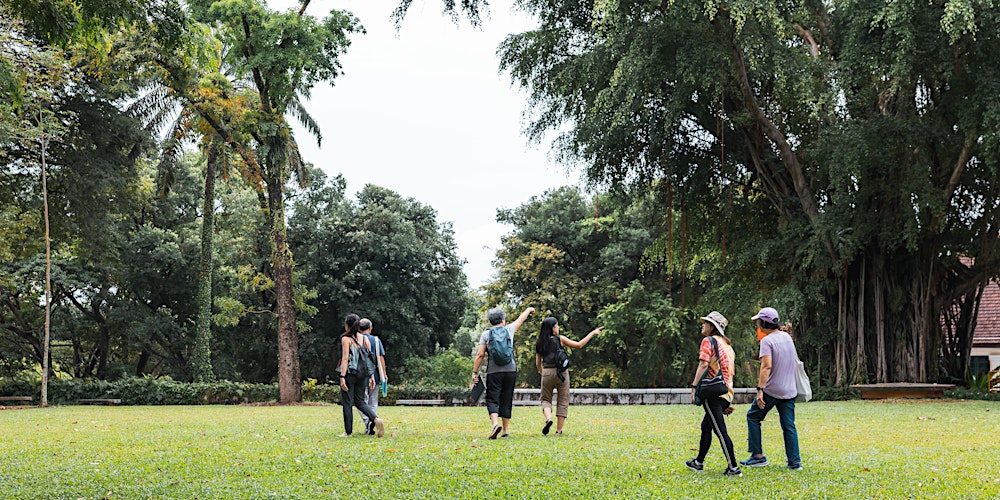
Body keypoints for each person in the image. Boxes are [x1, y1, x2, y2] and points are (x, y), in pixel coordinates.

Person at [742, 307, 801, 470]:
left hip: (772, 390)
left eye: (758, 322)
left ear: (763, 323)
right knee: (789, 425)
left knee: (753, 416)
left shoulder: (767, 341)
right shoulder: (787, 338)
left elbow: (766, 366)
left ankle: (757, 456)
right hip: (789, 390)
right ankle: (794, 462)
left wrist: (760, 390)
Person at [685, 311, 741, 477]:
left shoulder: (708, 341)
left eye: (706, 322)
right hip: (725, 391)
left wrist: (694, 386)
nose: (703, 325)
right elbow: (728, 372)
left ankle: (733, 467)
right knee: (706, 426)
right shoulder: (727, 345)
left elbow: (704, 364)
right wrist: (727, 400)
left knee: (719, 430)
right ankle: (698, 462)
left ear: (712, 326)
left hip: (712, 392)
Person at [472, 306, 535, 439]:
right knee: (506, 398)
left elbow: (480, 354)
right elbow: (521, 319)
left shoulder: (486, 334)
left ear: (490, 321)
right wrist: (529, 309)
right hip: (510, 370)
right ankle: (505, 430)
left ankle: (495, 424)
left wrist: (474, 372)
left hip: (493, 372)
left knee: (492, 398)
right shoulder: (509, 330)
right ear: (503, 320)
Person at [533, 317, 600, 436]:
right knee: (563, 400)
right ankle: (558, 431)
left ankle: (549, 419)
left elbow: (538, 363)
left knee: (545, 399)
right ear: (553, 328)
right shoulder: (560, 339)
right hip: (561, 373)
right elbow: (579, 345)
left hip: (547, 372)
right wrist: (592, 333)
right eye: (557, 325)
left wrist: (543, 372)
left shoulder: (539, 343)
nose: (558, 328)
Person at [338, 313, 384, 438]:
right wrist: (372, 376)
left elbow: (345, 358)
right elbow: (369, 359)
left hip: (350, 374)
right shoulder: (365, 339)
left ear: (347, 325)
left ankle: (348, 432)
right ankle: (375, 419)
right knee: (360, 401)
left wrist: (342, 377)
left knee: (347, 403)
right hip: (363, 374)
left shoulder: (345, 339)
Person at [358, 318, 388, 435]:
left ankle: (368, 422)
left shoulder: (356, 339)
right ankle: (372, 420)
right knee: (373, 401)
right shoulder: (376, 340)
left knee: (361, 401)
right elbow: (380, 357)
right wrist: (384, 374)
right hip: (374, 374)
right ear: (370, 328)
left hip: (360, 375)